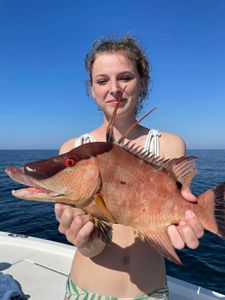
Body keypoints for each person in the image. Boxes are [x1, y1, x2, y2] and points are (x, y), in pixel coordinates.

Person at [55, 36, 204, 300]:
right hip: (85, 291)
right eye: (102, 80)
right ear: (91, 88)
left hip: (150, 293)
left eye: (125, 77)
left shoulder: (169, 145)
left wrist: (192, 218)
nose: (114, 89)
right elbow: (93, 246)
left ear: (143, 83)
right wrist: (86, 241)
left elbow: (171, 219)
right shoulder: (73, 150)